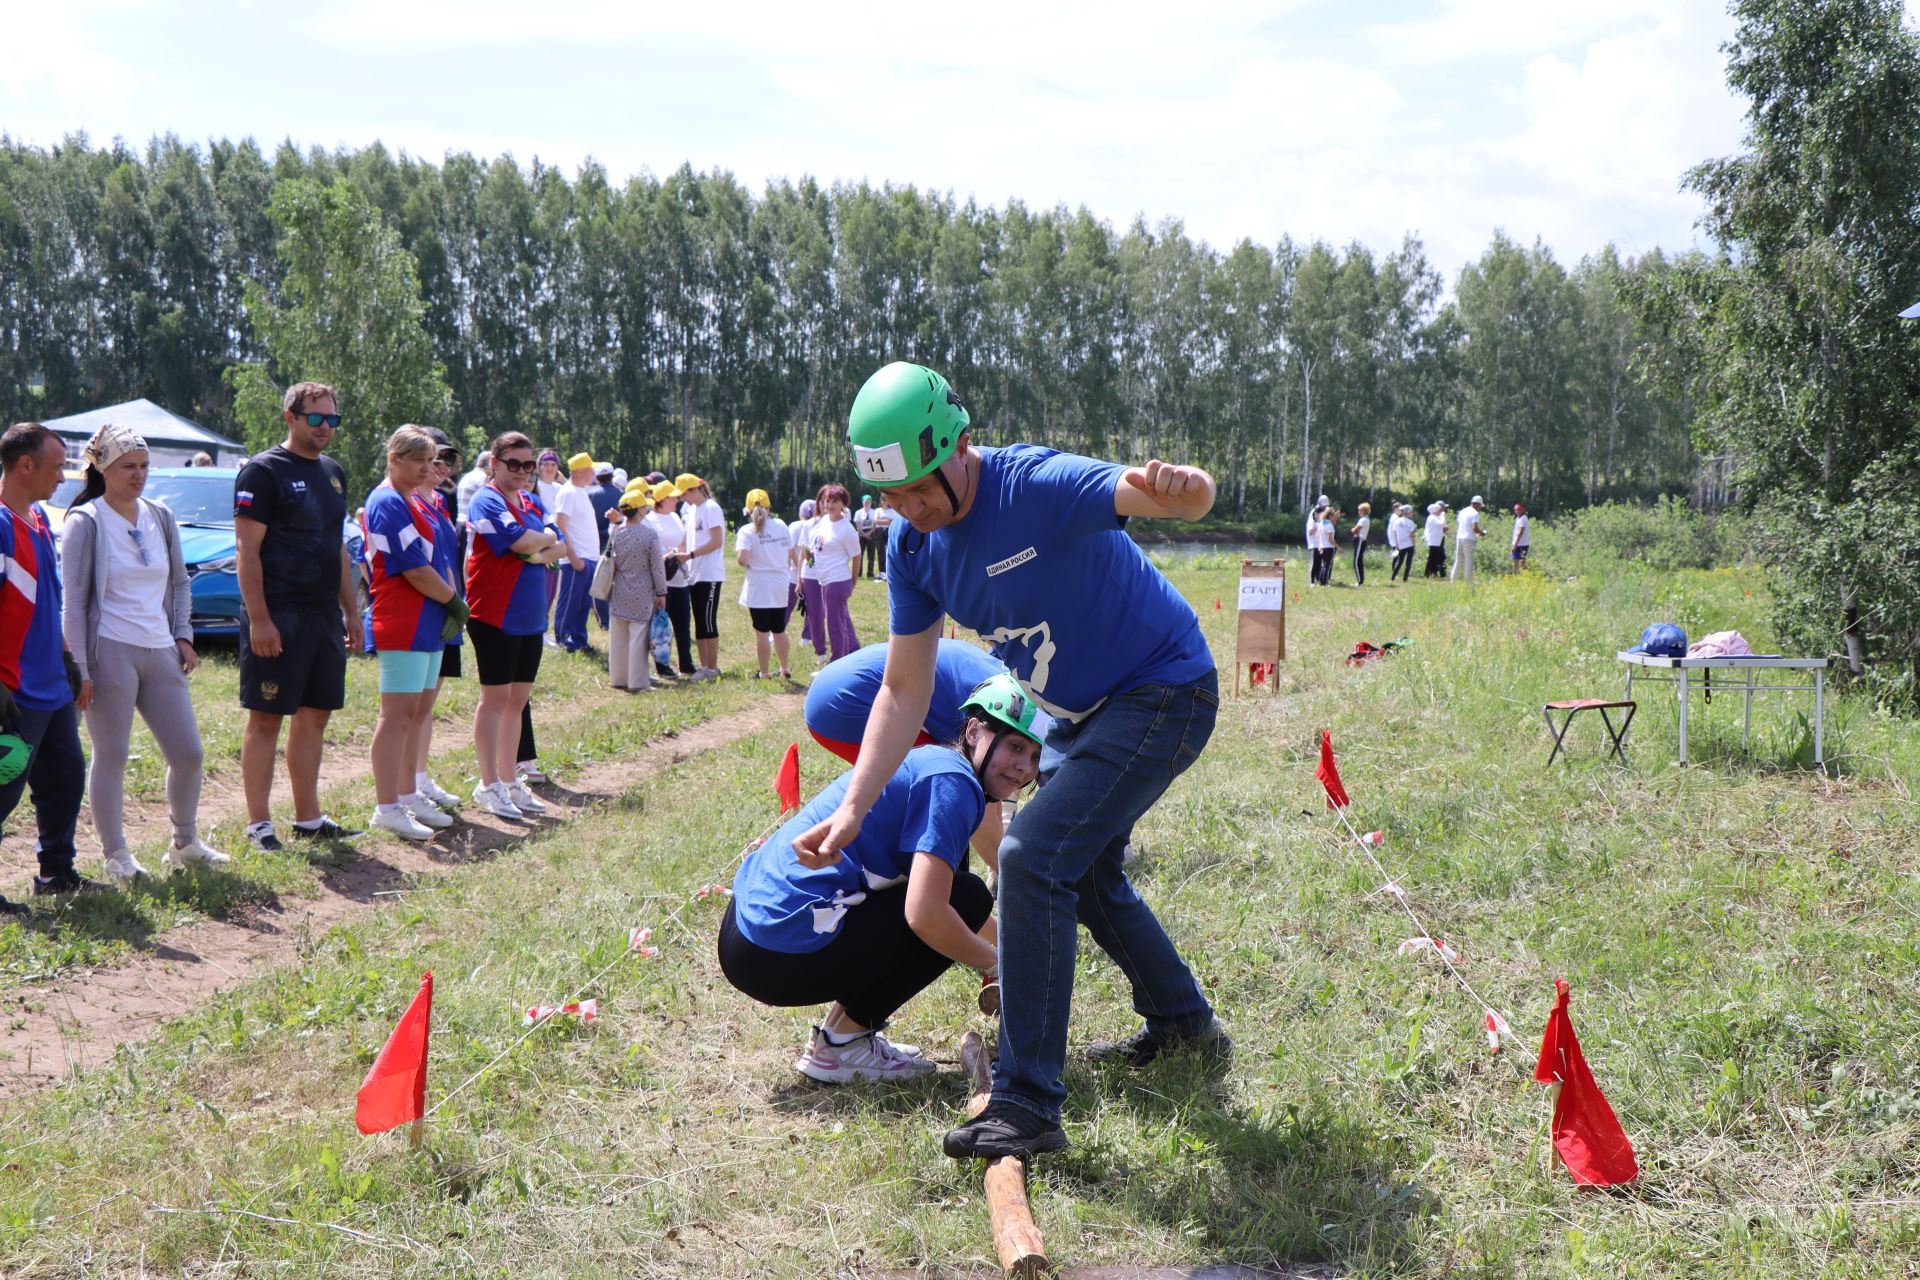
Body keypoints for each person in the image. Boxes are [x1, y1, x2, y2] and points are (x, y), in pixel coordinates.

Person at [803, 361, 1228, 1161]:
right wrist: (855, 805)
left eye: (919, 489)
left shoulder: (1036, 484)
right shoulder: (913, 548)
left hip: (1165, 691)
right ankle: (1183, 1024)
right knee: (1087, 871)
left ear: (959, 445)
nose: (908, 511)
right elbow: (902, 685)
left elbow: (1170, 497)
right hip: (1077, 716)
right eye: (890, 498)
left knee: (1032, 859)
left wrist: (1190, 486)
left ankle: (1028, 1101)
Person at [721, 674, 1042, 1082]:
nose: (1023, 767)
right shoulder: (953, 784)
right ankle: (841, 1048)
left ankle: (838, 1038)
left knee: (960, 895)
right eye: (1015, 746)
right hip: (772, 953)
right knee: (965, 897)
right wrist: (998, 964)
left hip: (748, 931)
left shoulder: (937, 765)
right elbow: (927, 915)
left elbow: (939, 902)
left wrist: (1020, 948)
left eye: (1034, 756)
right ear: (974, 731)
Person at [61, 422, 226, 879]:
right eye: (128, 466)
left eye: (144, 465)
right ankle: (116, 855)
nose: (139, 474)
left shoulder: (160, 515)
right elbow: (73, 601)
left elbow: (178, 582)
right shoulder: (86, 521)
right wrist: (80, 667)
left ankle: (185, 840)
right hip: (109, 649)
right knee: (111, 753)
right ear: (103, 469)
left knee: (188, 752)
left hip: (159, 648)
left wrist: (183, 635)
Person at [233, 381, 363, 852]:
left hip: (323, 616)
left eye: (332, 419)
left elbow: (339, 549)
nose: (326, 427)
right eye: (317, 418)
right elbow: (247, 551)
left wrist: (351, 612)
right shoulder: (262, 472)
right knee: (267, 717)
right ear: (290, 416)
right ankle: (258, 824)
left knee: (315, 716)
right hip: (278, 615)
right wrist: (260, 619)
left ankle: (308, 819)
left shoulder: (333, 473)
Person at [806, 638, 1016, 877]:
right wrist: (1019, 880)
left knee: (948, 792)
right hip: (844, 706)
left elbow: (990, 794)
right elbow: (980, 808)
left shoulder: (1007, 684)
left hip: (834, 687)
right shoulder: (992, 708)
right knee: (945, 790)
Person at [0, 422, 98, 907]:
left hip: (52, 684)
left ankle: (55, 872)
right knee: (2, 791)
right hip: (12, 688)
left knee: (65, 778)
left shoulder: (38, 518)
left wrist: (67, 659)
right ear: (25, 465)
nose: (63, 477)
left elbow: (49, 599)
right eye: (57, 467)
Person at [363, 427, 467, 840]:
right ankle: (386, 806)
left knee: (416, 713)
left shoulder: (412, 500)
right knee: (396, 716)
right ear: (395, 459)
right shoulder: (387, 500)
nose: (430, 469)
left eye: (432, 461)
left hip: (426, 621)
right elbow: (412, 567)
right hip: (403, 621)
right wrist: (454, 602)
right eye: (421, 461)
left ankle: (406, 795)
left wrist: (446, 602)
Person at [465, 432, 565, 820]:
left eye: (529, 465)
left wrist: (539, 548)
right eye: (514, 464)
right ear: (495, 463)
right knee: (494, 702)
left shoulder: (530, 500)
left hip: (529, 615)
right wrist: (539, 545)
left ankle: (509, 780)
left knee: (517, 703)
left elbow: (560, 545)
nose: (523, 472)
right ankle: (488, 783)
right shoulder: (485, 500)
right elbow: (523, 543)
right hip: (494, 613)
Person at [412, 429, 466, 811]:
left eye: (448, 458)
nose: (442, 465)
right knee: (411, 707)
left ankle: (418, 776)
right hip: (424, 614)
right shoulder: (408, 501)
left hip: (446, 612)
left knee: (427, 705)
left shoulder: (441, 502)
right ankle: (406, 786)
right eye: (435, 457)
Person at [605, 486, 668, 692]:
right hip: (642, 591)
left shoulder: (616, 532)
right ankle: (638, 682)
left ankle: (619, 678)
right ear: (640, 510)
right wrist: (662, 592)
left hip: (619, 588)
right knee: (638, 637)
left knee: (619, 637)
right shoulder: (649, 535)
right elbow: (657, 567)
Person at [735, 488, 793, 680]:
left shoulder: (746, 530)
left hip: (759, 585)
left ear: (748, 509)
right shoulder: (781, 525)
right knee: (779, 629)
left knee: (762, 633)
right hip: (779, 583)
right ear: (769, 507)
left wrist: (752, 562)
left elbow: (742, 559)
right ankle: (784, 668)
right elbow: (791, 552)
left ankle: (765, 672)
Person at [801, 483, 862, 662]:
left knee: (835, 627)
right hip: (824, 581)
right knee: (838, 625)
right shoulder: (824, 521)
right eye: (827, 500)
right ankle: (840, 663)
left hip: (838, 581)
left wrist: (853, 583)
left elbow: (857, 556)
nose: (830, 505)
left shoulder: (846, 528)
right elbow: (814, 548)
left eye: (835, 501)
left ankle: (837, 664)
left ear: (843, 504)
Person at [552, 452, 603, 654]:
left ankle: (579, 640)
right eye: (591, 470)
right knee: (570, 602)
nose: (593, 474)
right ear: (581, 471)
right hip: (577, 558)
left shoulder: (580, 491)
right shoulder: (568, 492)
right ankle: (563, 639)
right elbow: (560, 526)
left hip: (588, 557)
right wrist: (572, 556)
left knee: (583, 603)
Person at [676, 473, 726, 680]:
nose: (682, 499)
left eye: (684, 494)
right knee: (699, 621)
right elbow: (686, 539)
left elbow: (717, 540)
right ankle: (704, 666)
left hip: (709, 573)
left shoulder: (711, 508)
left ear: (694, 490)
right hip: (694, 574)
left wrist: (691, 555)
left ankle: (712, 668)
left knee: (707, 621)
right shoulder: (691, 509)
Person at [647, 480, 698, 680]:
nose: (677, 499)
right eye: (673, 497)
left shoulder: (676, 517)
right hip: (663, 581)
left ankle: (686, 663)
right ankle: (662, 665)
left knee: (683, 623)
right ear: (662, 499)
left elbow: (682, 541)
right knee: (661, 625)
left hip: (680, 579)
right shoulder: (650, 519)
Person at [791, 497, 819, 654]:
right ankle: (808, 636)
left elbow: (795, 550)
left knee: (791, 606)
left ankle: (777, 633)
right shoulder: (815, 525)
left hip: (798, 570)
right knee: (812, 607)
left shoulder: (796, 526)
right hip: (811, 571)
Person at [1451, 495, 1485, 583]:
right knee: (1468, 560)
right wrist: (1481, 533)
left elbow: (1459, 523)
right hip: (1469, 539)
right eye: (1480, 506)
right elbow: (1474, 528)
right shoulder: (1475, 513)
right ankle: (1468, 581)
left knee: (1458, 560)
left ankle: (1453, 580)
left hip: (1459, 537)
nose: (1480, 508)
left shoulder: (1463, 511)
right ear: (1477, 504)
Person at [456, 450, 492, 527]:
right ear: (489, 465)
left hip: (459, 522)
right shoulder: (483, 478)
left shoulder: (467, 476)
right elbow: (485, 504)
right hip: (470, 524)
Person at [854, 494, 882, 579]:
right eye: (865, 502)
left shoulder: (874, 512)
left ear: (871, 503)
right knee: (860, 554)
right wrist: (863, 534)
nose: (867, 503)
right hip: (861, 533)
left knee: (871, 554)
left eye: (868, 502)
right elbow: (857, 524)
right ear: (863, 502)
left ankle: (870, 573)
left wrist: (870, 533)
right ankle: (859, 573)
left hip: (871, 533)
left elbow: (875, 523)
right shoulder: (858, 512)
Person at [1388, 503, 1416, 582]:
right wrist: (1414, 546)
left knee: (1399, 561)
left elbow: (1395, 532)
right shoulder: (1410, 523)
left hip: (1400, 545)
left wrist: (1397, 544)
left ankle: (1393, 577)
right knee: (1408, 562)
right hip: (1409, 544)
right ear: (1408, 512)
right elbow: (1412, 535)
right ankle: (1405, 578)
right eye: (1411, 512)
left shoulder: (1397, 521)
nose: (1412, 513)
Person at [1423, 502, 1448, 578]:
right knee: (1432, 558)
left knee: (1435, 557)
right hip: (1433, 541)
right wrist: (1443, 516)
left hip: (1437, 541)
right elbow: (1441, 524)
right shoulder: (1432, 517)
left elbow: (1444, 526)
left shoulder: (1436, 517)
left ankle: (1432, 572)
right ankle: (1428, 573)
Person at [1350, 502, 1372, 586]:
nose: (1358, 512)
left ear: (1364, 511)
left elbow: (1355, 530)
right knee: (1359, 561)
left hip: (1360, 540)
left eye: (1360, 510)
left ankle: (1360, 582)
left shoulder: (1363, 520)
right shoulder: (1366, 519)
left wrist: (1352, 529)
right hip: (1362, 540)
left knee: (1355, 561)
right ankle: (1361, 580)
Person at [1511, 502, 1531, 571]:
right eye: (1516, 510)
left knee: (1518, 562)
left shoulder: (1523, 519)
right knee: (1519, 562)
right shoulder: (1518, 518)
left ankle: (1517, 577)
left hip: (1521, 545)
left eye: (1518, 510)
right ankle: (1517, 577)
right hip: (1521, 544)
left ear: (1523, 510)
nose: (1516, 511)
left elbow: (1520, 532)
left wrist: (1515, 545)